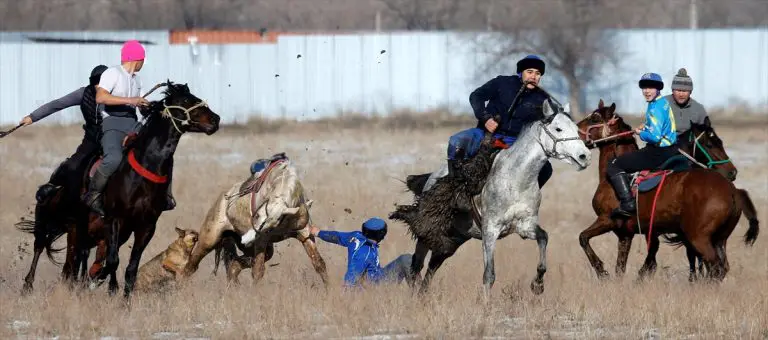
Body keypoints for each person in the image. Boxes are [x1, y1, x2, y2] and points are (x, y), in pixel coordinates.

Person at [444, 54, 554, 209]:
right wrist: (485, 118)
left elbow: (551, 124)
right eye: (529, 72)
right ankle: (454, 190)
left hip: (515, 143)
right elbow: (476, 96)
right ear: (521, 72)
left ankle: (522, 200)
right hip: (485, 134)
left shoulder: (542, 99)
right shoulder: (502, 83)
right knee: (457, 141)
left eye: (537, 74)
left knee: (546, 168)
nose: (533, 77)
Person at [81, 40, 175, 216]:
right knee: (114, 159)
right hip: (113, 123)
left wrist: (144, 106)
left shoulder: (136, 79)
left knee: (162, 153)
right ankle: (92, 194)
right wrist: (132, 100)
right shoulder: (112, 73)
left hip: (133, 123)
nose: (142, 64)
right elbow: (101, 98)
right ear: (136, 59)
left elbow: (135, 104)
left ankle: (165, 195)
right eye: (142, 60)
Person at [18, 65, 108, 202]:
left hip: (112, 139)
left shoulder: (118, 95)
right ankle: (53, 187)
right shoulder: (83, 93)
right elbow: (58, 104)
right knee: (72, 166)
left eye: (101, 83)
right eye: (95, 82)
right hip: (90, 140)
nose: (97, 86)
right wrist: (32, 117)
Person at [606, 73, 678, 217]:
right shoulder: (661, 103)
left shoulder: (655, 108)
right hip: (671, 150)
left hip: (658, 152)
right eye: (644, 87)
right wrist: (645, 126)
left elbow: (655, 136)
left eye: (651, 87)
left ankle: (628, 203)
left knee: (614, 164)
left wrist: (641, 134)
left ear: (658, 89)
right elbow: (659, 125)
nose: (646, 91)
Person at [308, 217, 412, 288]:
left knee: (405, 259)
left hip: (376, 275)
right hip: (376, 287)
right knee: (406, 260)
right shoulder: (365, 254)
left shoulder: (356, 236)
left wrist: (318, 233)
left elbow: (337, 236)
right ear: (382, 234)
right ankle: (420, 297)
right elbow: (350, 282)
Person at [664, 68, 709, 137]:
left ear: (690, 92)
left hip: (688, 145)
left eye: (685, 91)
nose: (681, 94)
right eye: (678, 90)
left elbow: (705, 133)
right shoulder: (662, 104)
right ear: (672, 90)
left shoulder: (699, 109)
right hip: (664, 144)